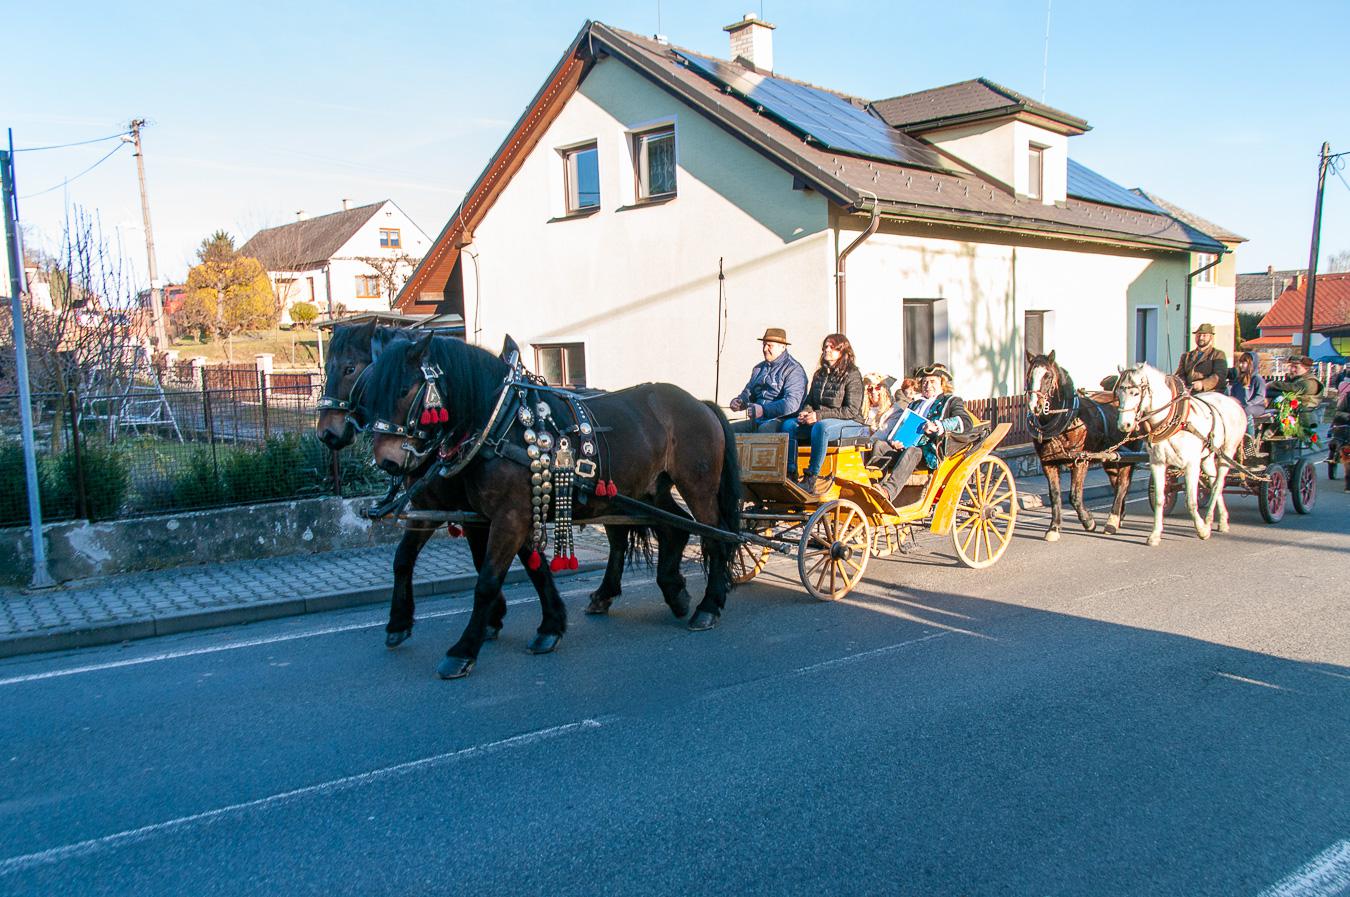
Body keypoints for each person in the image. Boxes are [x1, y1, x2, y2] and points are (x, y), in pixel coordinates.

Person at [868, 363, 977, 503]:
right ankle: (873, 485)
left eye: (932, 381)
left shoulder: (951, 401)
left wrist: (938, 425)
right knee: (879, 445)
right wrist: (895, 441)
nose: (927, 385)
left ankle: (888, 492)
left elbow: (965, 422)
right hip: (904, 448)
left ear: (942, 384)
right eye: (924, 382)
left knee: (913, 451)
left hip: (928, 452)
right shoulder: (914, 404)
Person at [781, 333, 866, 494]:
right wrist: (805, 412)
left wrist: (819, 416)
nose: (827, 350)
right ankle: (791, 472)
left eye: (832, 347)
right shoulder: (819, 374)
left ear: (842, 351)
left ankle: (811, 477)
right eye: (825, 347)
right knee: (788, 425)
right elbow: (810, 401)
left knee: (821, 428)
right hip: (821, 419)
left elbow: (852, 410)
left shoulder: (852, 375)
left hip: (851, 422)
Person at [728, 328, 808, 433]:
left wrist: (764, 410)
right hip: (758, 420)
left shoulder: (794, 370)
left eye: (770, 345)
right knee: (727, 431)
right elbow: (749, 393)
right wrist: (739, 402)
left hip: (781, 419)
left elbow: (792, 403)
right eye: (764, 345)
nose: (765, 349)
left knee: (764, 430)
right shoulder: (758, 368)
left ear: (782, 347)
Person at [1266, 354, 1325, 430]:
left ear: (1306, 368)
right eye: (1291, 366)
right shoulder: (1296, 379)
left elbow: (1293, 388)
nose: (1292, 370)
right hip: (1289, 417)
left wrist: (1272, 384)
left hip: (1302, 419)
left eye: (1296, 367)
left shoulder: (1311, 382)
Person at [1175, 322, 1228, 392]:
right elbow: (1180, 374)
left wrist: (1202, 384)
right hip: (1188, 392)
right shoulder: (1186, 356)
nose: (1200, 338)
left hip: (1211, 393)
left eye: (1204, 335)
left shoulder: (1218, 354)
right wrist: (1183, 385)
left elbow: (1219, 376)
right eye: (1198, 335)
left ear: (1211, 337)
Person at [1226, 351, 1267, 436]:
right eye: (1240, 362)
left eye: (1244, 362)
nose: (1241, 365)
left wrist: (1249, 403)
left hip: (1256, 406)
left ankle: (1249, 438)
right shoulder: (1238, 379)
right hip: (1241, 405)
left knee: (1246, 411)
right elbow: (1233, 393)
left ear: (1251, 364)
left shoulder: (1257, 379)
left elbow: (1260, 396)